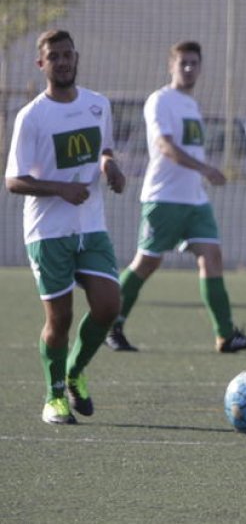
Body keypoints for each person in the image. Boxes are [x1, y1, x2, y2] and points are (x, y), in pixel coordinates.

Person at [106, 41, 246, 353]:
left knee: (212, 256)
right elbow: (164, 147)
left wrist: (201, 176)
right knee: (147, 263)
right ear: (172, 66)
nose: (189, 69)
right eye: (183, 63)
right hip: (163, 197)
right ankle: (112, 323)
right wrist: (206, 169)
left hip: (194, 199)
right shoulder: (160, 101)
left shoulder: (192, 105)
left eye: (194, 63)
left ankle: (226, 335)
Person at [5, 29, 127, 424]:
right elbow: (13, 180)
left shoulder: (98, 104)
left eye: (67, 55)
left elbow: (104, 149)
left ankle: (74, 372)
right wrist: (59, 188)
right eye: (53, 56)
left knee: (109, 306)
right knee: (59, 320)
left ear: (77, 58)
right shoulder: (32, 116)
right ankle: (53, 396)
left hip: (90, 225)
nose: (61, 61)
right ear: (42, 64)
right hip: (48, 232)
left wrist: (110, 165)